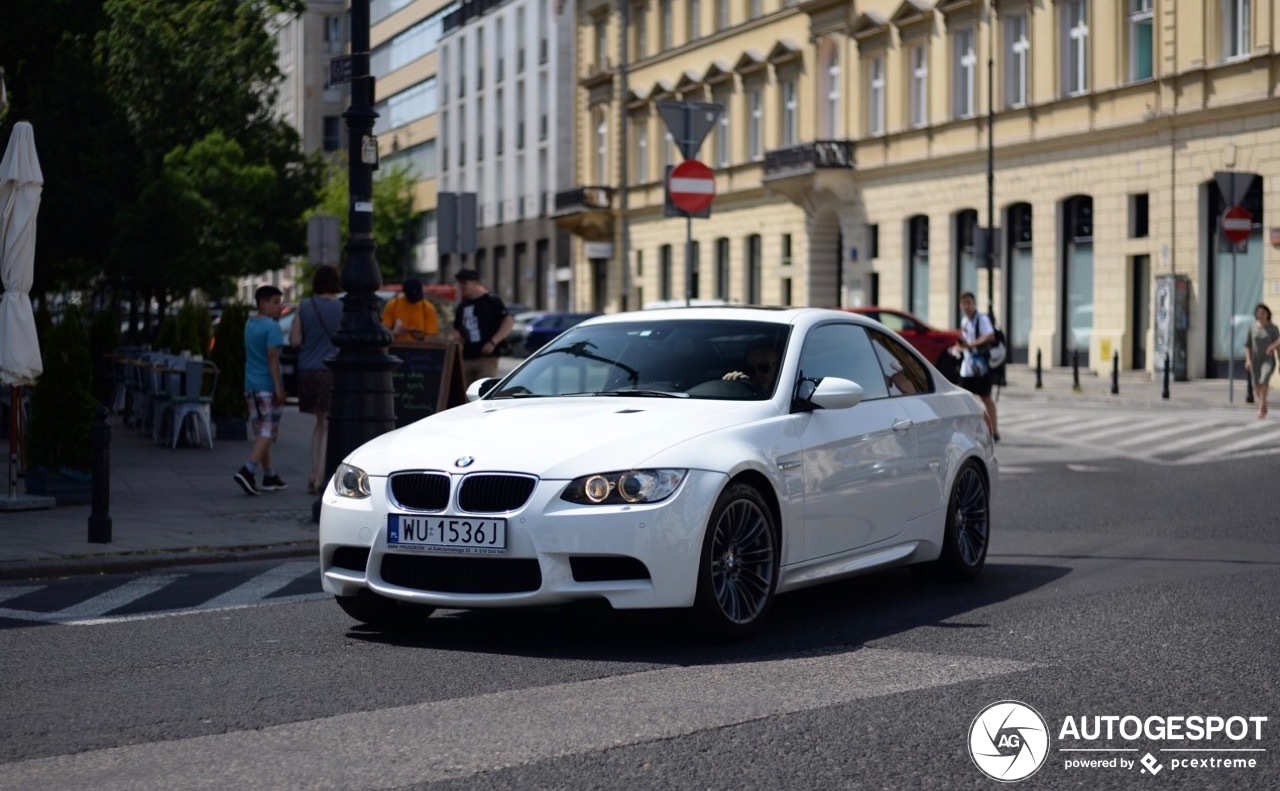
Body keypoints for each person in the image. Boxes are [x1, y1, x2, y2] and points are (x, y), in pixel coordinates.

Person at [289, 265, 342, 494]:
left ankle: (313, 473)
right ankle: (320, 477)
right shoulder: (343, 308)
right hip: (329, 370)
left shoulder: (304, 306)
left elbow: (294, 341)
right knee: (327, 423)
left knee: (319, 423)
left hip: (307, 370)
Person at [234, 285, 288, 495]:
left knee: (261, 432)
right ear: (263, 303)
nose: (278, 307)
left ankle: (269, 475)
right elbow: (272, 357)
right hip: (267, 385)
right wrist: (278, 388)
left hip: (251, 385)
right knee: (268, 432)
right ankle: (248, 470)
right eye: (275, 302)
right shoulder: (272, 328)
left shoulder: (250, 323)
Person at [453, 268, 514, 387]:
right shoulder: (462, 306)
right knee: (464, 393)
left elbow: (508, 322)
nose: (462, 287)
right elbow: (457, 329)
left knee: (482, 390)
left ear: (475, 282)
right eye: (460, 284)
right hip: (466, 357)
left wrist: (493, 342)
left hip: (486, 357)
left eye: (465, 283)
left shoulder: (491, 301)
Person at [951, 291, 999, 441]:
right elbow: (964, 339)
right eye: (963, 303)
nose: (966, 306)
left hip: (981, 366)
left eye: (968, 303)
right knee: (964, 398)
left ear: (974, 303)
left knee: (986, 397)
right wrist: (958, 347)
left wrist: (970, 345)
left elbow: (990, 336)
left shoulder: (982, 319)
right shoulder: (965, 321)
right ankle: (968, 429)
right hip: (967, 367)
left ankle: (994, 431)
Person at [381, 277, 439, 341]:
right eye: (411, 296)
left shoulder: (427, 308)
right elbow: (384, 332)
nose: (414, 300)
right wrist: (395, 332)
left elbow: (431, 335)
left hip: (419, 349)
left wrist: (420, 337)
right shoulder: (393, 305)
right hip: (396, 347)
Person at [1248, 302, 1280, 419]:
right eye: (1258, 312)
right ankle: (1264, 402)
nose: (1260, 314)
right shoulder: (1252, 327)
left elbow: (1279, 344)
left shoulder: (1273, 328)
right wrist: (1248, 359)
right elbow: (1248, 345)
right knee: (1256, 386)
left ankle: (1261, 408)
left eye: (1263, 312)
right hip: (1256, 360)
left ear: (1267, 314)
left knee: (1263, 380)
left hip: (1268, 359)